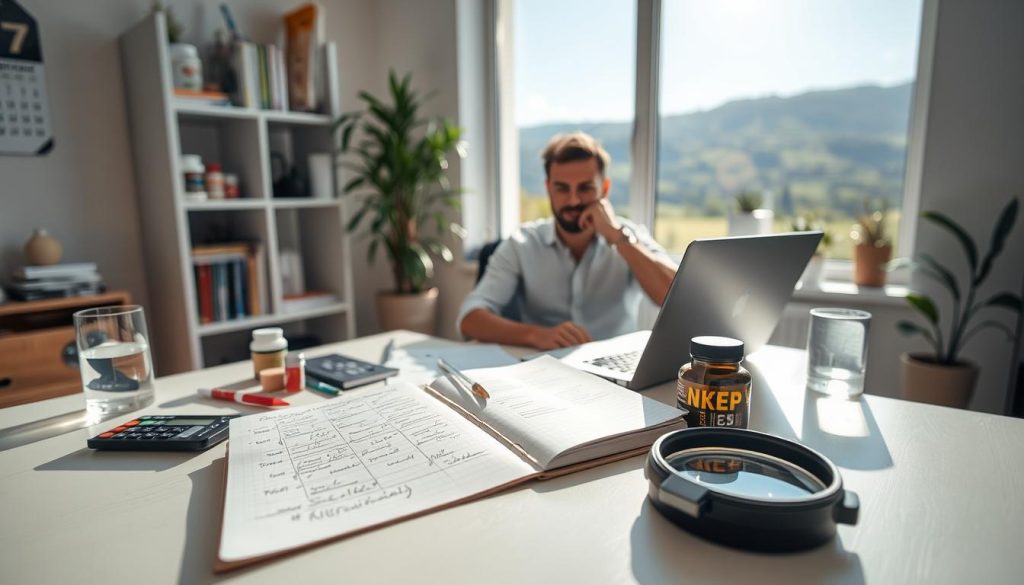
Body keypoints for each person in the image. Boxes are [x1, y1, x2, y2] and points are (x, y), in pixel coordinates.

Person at [458, 132, 677, 350]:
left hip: (615, 372)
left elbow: (676, 299)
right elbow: (470, 318)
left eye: (585, 188)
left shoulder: (629, 237)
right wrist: (536, 335)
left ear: (605, 189)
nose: (573, 200)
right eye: (562, 188)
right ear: (548, 189)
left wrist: (616, 236)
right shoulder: (522, 243)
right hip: (544, 367)